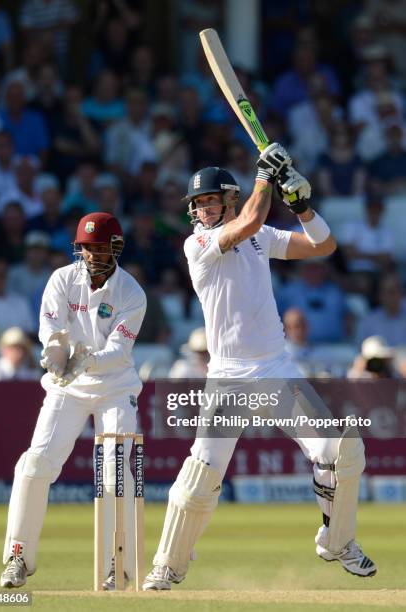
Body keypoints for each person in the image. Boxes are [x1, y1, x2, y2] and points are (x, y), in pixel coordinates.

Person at [143, 143, 376, 590]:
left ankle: (337, 540)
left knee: (342, 451)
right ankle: (168, 567)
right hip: (227, 377)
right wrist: (266, 177)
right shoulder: (199, 244)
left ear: (228, 199)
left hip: (276, 370)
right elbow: (249, 218)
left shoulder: (259, 236)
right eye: (198, 204)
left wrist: (303, 206)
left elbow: (323, 245)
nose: (203, 210)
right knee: (200, 478)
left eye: (210, 201)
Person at [0, 212, 146, 590]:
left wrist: (87, 358)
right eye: (86, 247)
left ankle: (121, 564)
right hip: (68, 385)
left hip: (115, 387)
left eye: (100, 247)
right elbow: (51, 327)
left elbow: (118, 349)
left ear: (116, 247)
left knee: (116, 471)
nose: (93, 255)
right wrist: (54, 351)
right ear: (77, 248)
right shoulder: (62, 279)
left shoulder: (131, 293)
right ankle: (18, 556)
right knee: (34, 464)